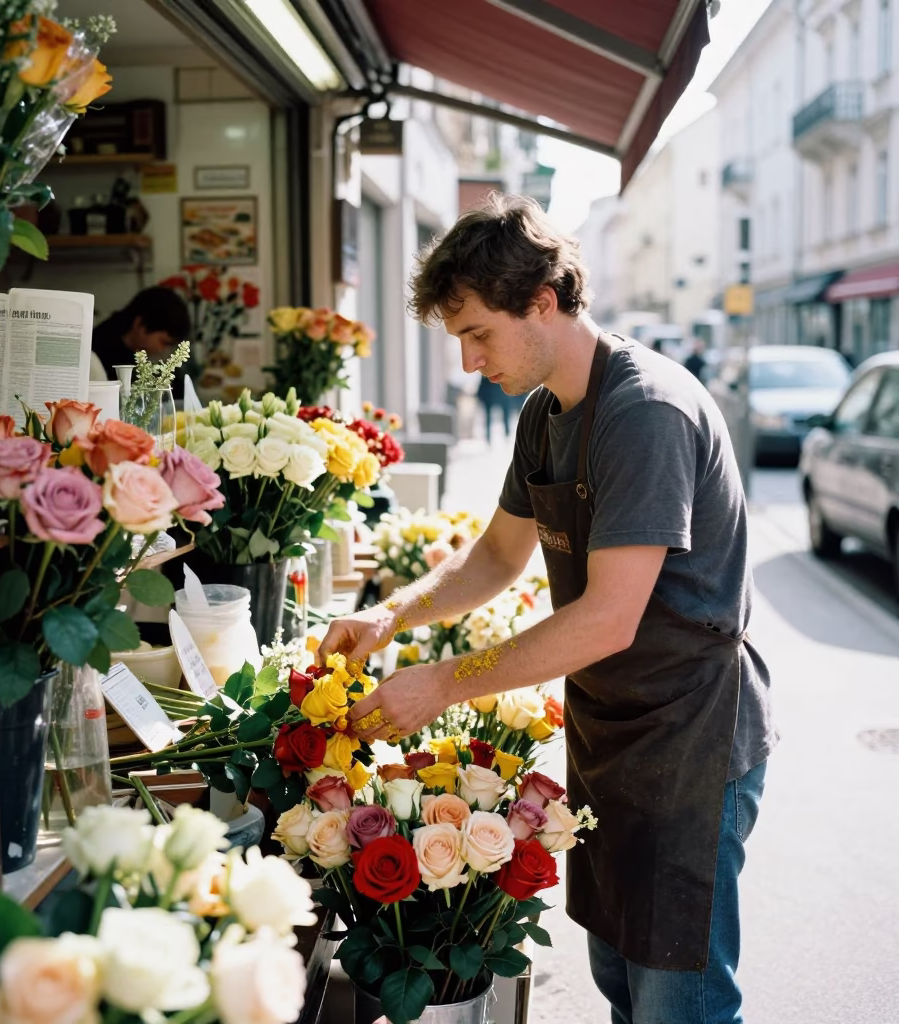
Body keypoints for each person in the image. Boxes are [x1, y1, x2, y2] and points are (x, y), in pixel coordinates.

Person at [318, 194, 777, 1024]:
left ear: (543, 301)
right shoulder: (544, 413)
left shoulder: (644, 411)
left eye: (478, 333)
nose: (467, 364)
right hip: (610, 735)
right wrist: (393, 615)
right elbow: (496, 556)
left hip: (693, 742)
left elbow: (608, 619)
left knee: (681, 1004)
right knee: (625, 989)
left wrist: (444, 683)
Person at [91, 286, 191, 383]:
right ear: (141, 323)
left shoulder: (130, 352)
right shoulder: (98, 350)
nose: (161, 349)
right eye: (163, 342)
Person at [476, 373, 511, 442]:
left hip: (494, 394)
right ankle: (505, 434)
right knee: (503, 413)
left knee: (503, 414)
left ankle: (506, 434)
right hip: (497, 394)